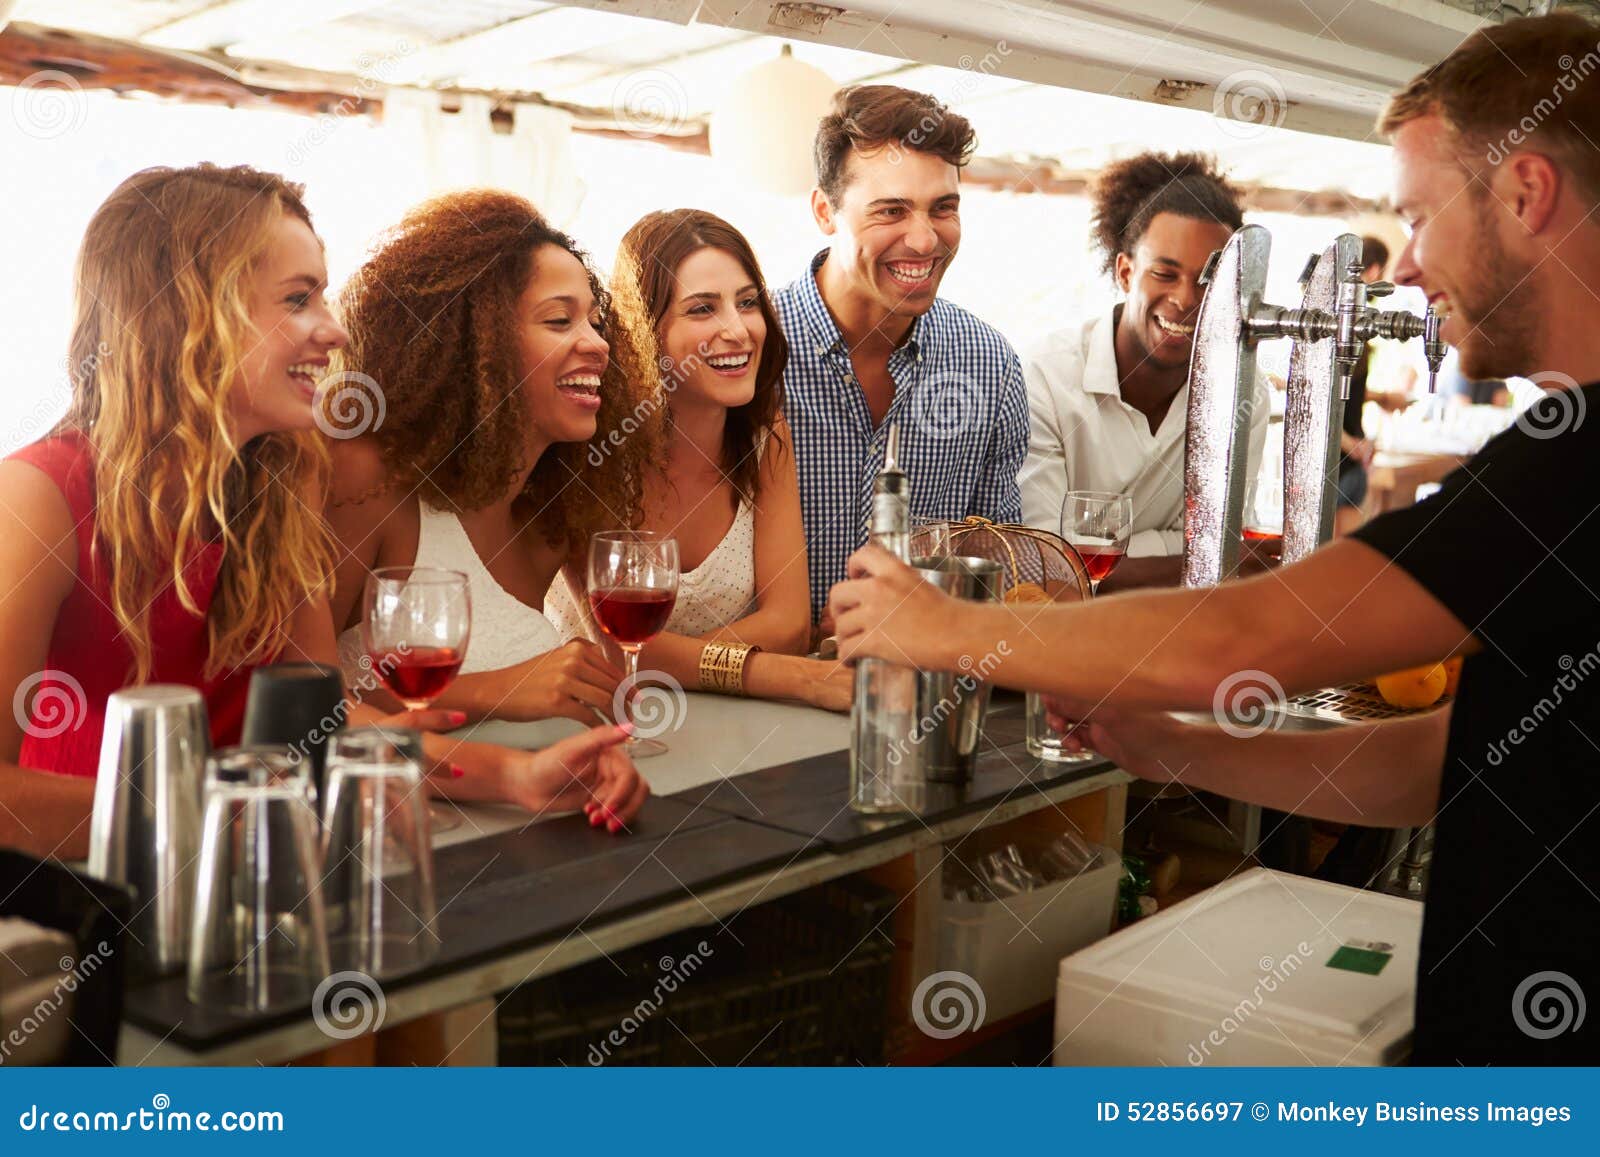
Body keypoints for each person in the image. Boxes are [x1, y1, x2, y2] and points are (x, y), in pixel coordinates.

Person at [829, 11, 1600, 1064]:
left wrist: (937, 625)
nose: (1409, 268)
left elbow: (1253, 629)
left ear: (1524, 193)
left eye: (1419, 216)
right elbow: (1445, 763)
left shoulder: (1571, 464)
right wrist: (1182, 744)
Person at [0, 167, 645, 860]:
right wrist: (226, 817)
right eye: (298, 299)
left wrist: (516, 775)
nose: (334, 330)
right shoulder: (36, 498)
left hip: (253, 878)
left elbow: (324, 722)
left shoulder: (278, 482)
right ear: (191, 311)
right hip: (82, 906)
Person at [327, 191, 662, 769]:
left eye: (596, 320)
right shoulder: (370, 475)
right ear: (470, 341)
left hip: (527, 820)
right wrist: (501, 690)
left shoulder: (550, 509)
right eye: (560, 320)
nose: (599, 344)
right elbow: (294, 692)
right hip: (387, 827)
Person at [547, 210, 852, 710]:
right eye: (702, 309)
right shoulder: (591, 447)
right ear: (642, 329)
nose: (738, 330)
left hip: (716, 725)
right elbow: (623, 653)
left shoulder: (765, 435)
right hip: (587, 727)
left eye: (748, 302)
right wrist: (779, 673)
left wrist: (684, 662)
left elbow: (790, 625)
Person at [773, 85, 1029, 632]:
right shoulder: (751, 351)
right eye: (891, 211)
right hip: (759, 695)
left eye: (943, 208)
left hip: (923, 696)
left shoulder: (990, 364)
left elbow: (998, 563)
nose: (923, 239)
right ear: (825, 211)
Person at [1019, 152, 1268, 586]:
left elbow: (1223, 540)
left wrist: (1100, 552)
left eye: (1209, 280)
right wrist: (1182, 550)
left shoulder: (1244, 392)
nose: (1187, 299)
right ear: (1125, 272)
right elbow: (1047, 566)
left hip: (1176, 629)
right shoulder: (1044, 376)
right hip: (1057, 635)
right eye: (1164, 274)